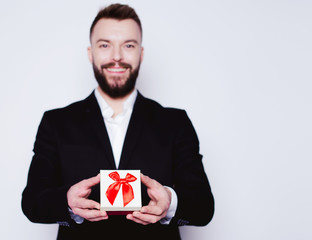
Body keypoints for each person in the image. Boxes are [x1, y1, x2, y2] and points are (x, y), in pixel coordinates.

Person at [21, 4, 214, 240]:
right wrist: (67, 202)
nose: (116, 56)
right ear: (90, 53)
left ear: (141, 54)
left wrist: (170, 202)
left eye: (128, 45)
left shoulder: (175, 122)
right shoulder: (56, 122)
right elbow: (32, 201)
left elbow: (204, 206)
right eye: (105, 45)